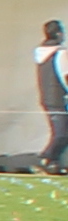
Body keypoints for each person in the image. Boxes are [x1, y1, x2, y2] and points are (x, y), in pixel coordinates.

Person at [38, 18, 68, 173]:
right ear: (59, 34)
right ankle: (45, 159)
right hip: (58, 99)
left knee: (62, 132)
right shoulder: (60, 54)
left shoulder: (41, 53)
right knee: (62, 134)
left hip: (48, 98)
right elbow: (66, 76)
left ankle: (54, 163)